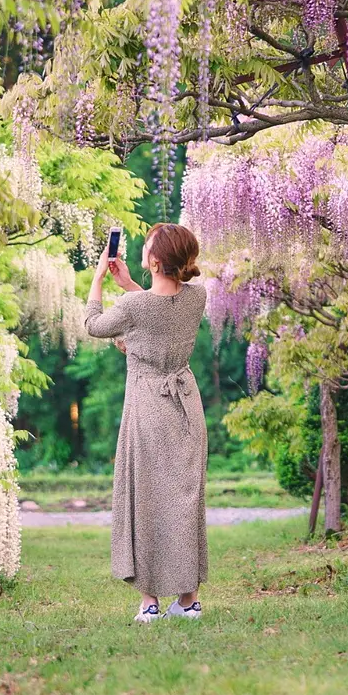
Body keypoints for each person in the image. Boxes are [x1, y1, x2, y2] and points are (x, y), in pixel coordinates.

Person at [85, 223, 208, 623]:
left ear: (154, 261)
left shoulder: (133, 309)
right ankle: (189, 601)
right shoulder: (197, 298)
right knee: (185, 500)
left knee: (146, 499)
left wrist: (100, 279)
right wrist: (133, 286)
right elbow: (162, 313)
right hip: (187, 407)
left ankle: (149, 603)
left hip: (148, 407)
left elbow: (93, 325)